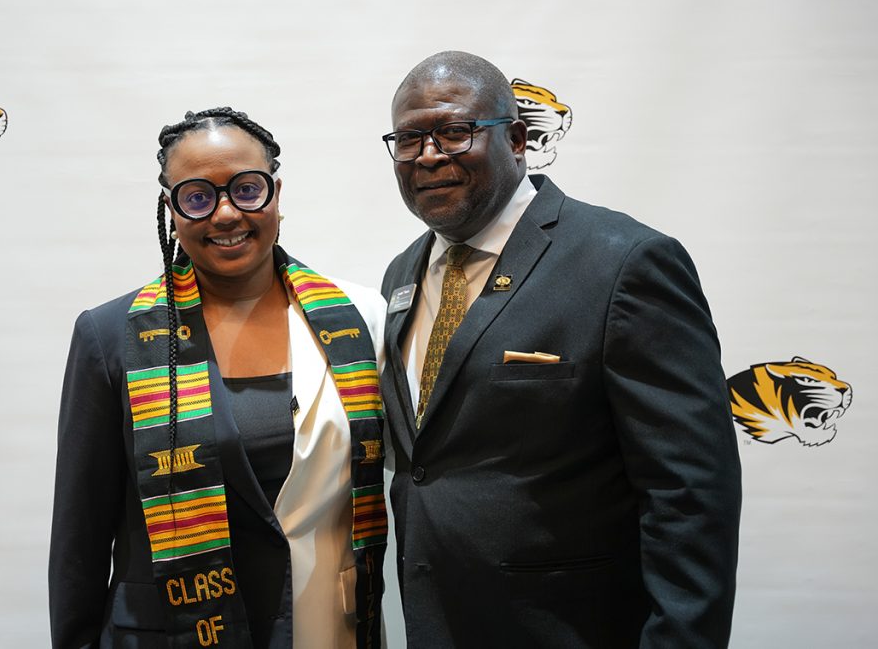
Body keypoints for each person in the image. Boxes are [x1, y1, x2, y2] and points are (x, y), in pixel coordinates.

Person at [378, 51, 741, 648]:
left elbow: (690, 494)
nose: (429, 155)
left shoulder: (623, 262)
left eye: (454, 131)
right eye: (410, 138)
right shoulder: (403, 274)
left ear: (518, 138)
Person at [49, 107, 388, 648]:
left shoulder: (358, 319)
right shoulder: (110, 336)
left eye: (246, 189)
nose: (226, 214)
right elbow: (79, 537)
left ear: (276, 193)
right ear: (171, 209)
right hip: (169, 635)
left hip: (326, 627)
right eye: (198, 196)